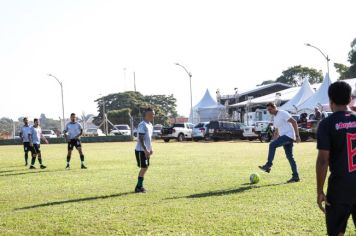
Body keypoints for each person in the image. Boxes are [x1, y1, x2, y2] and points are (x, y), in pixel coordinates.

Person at [316, 81, 356, 236]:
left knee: (336, 232)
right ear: (349, 99)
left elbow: (323, 160)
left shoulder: (326, 124)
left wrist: (320, 190)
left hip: (340, 187)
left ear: (330, 100)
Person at [259, 102, 301, 183]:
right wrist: (274, 140)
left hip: (289, 136)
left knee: (272, 145)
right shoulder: (275, 117)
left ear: (275, 107)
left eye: (270, 109)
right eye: (268, 110)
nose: (269, 111)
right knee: (290, 157)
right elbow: (277, 131)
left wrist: (297, 136)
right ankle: (296, 177)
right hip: (284, 137)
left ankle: (268, 165)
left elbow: (294, 122)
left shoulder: (282, 113)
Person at [134, 107, 155, 193]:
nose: (153, 115)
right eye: (151, 114)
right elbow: (141, 139)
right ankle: (139, 187)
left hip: (146, 150)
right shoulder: (142, 125)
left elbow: (148, 138)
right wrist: (145, 150)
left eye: (154, 114)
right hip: (140, 150)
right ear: (147, 115)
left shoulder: (150, 125)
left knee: (145, 167)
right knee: (144, 167)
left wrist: (151, 148)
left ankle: (139, 186)